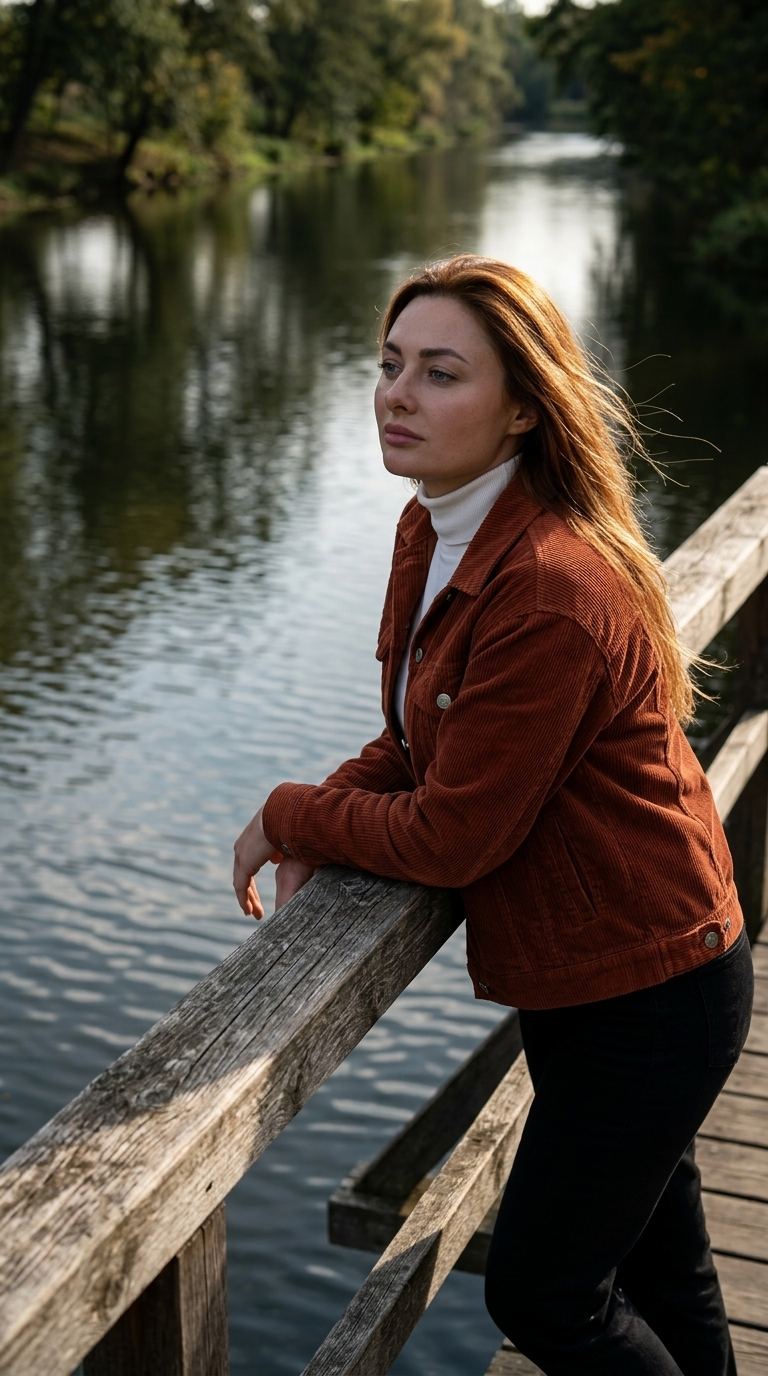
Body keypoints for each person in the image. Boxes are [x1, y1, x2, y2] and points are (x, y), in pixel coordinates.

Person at [232, 255, 754, 1375]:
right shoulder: (439, 527)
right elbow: (421, 743)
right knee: (667, 1269)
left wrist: (290, 809)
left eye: (440, 371)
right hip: (594, 971)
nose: (396, 392)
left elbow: (455, 832)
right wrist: (316, 813)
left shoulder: (552, 585)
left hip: (651, 989)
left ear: (523, 404)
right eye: (389, 363)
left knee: (548, 1292)